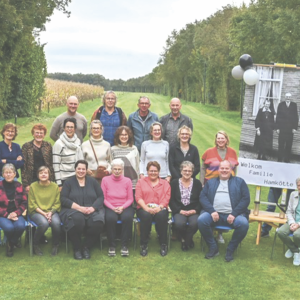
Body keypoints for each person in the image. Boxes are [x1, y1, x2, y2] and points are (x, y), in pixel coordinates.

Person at [198, 160, 250, 262]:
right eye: (222, 168)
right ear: (218, 170)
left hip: (233, 216)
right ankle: (213, 247)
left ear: (231, 170)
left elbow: (246, 199)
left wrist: (234, 214)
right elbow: (202, 197)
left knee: (243, 224)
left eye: (227, 168)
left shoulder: (240, 182)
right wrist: (212, 211)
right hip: (214, 214)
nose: (224, 170)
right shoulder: (211, 182)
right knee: (201, 220)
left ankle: (230, 249)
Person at [60, 160, 105, 260]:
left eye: (83, 169)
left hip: (91, 209)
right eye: (79, 169)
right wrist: (79, 208)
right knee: (77, 220)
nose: (81, 171)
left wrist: (93, 208)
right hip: (73, 209)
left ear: (86, 170)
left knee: (97, 223)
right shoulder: (68, 182)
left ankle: (86, 247)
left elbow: (101, 197)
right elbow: (63, 199)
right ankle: (77, 248)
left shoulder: (93, 181)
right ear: (75, 169)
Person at [200, 130, 238, 244]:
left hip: (227, 185)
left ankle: (220, 233)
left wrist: (235, 182)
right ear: (215, 140)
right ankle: (210, 231)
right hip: (210, 184)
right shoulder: (209, 152)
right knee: (212, 208)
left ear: (226, 139)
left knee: (223, 207)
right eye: (218, 138)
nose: (220, 140)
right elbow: (203, 168)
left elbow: (235, 168)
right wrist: (202, 182)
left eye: (223, 138)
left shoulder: (232, 152)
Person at [135, 161, 171, 257]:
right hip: (144, 208)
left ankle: (163, 244)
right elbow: (138, 197)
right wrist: (146, 208)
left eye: (155, 171)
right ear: (147, 171)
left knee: (162, 216)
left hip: (160, 208)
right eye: (151, 171)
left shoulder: (165, 183)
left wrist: (159, 207)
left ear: (159, 172)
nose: (153, 173)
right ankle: (144, 244)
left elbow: (166, 198)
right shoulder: (141, 182)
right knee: (146, 216)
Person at [101, 159, 134, 257]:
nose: (117, 171)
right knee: (110, 218)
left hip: (125, 206)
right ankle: (112, 245)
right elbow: (103, 198)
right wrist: (112, 208)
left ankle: (124, 245)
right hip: (110, 206)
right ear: (111, 169)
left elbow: (130, 199)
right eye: (115, 169)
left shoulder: (127, 181)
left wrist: (122, 207)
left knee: (127, 218)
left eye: (119, 169)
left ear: (122, 170)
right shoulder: (105, 180)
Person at [28, 166, 61, 256]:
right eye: (41, 173)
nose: (43, 174)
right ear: (38, 175)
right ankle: (35, 244)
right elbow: (32, 204)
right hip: (36, 212)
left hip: (52, 211)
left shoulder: (54, 186)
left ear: (49, 175)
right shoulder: (33, 186)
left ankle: (55, 244)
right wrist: (44, 214)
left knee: (56, 223)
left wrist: (50, 213)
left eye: (45, 173)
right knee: (44, 223)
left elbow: (57, 203)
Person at [169, 161, 202, 251]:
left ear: (192, 172)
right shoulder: (174, 183)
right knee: (179, 224)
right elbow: (171, 200)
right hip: (179, 210)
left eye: (189, 171)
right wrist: (179, 210)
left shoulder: (197, 183)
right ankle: (187, 239)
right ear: (181, 171)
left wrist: (195, 210)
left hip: (193, 210)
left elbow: (201, 200)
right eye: (185, 170)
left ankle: (186, 240)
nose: (187, 173)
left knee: (195, 223)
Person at [0, 164, 27, 257]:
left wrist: (16, 213)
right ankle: (13, 244)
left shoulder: (19, 185)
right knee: (9, 228)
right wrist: (7, 215)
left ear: (15, 174)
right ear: (3, 174)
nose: (8, 175)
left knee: (20, 226)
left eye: (10, 172)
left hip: (17, 213)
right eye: (6, 172)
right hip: (2, 214)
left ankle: (11, 243)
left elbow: (24, 202)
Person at [21, 123, 55, 193]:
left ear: (44, 135)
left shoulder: (48, 145)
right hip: (31, 179)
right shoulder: (26, 146)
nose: (39, 135)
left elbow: (51, 163)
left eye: (41, 133)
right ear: (33, 134)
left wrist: (52, 179)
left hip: (45, 177)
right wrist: (25, 184)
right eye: (37, 133)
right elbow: (23, 166)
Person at [53, 118, 83, 188]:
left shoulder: (77, 141)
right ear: (64, 128)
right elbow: (56, 164)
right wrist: (59, 184)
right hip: (64, 179)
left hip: (77, 177)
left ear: (75, 129)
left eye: (72, 127)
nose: (69, 129)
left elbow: (81, 161)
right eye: (67, 127)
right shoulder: (59, 144)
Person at [277, 177, 300, 266]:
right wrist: (292, 223)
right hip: (292, 221)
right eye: (298, 185)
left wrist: (298, 225)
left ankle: (294, 249)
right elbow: (289, 211)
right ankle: (296, 251)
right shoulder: (293, 194)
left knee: (297, 235)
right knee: (281, 232)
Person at [111, 126, 139, 192]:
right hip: (117, 182)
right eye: (121, 135)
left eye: (126, 135)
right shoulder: (113, 149)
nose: (124, 137)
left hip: (132, 183)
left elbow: (137, 166)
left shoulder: (134, 148)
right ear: (118, 136)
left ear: (129, 136)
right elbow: (111, 166)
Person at [275, 93, 299, 163]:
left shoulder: (294, 105)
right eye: (287, 97)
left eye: (289, 97)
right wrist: (277, 128)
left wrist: (295, 128)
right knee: (281, 144)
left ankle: (287, 159)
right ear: (285, 97)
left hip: (290, 130)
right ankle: (279, 158)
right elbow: (278, 116)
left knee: (289, 145)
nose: (288, 98)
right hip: (282, 129)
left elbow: (296, 117)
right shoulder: (281, 104)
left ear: (291, 98)